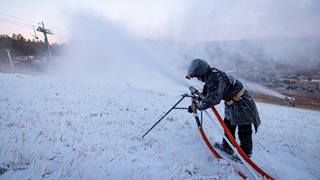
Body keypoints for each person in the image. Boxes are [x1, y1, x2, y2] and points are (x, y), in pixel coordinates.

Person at [186, 59, 261, 158]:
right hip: (232, 103)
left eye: (198, 77)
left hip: (242, 103)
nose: (198, 79)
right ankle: (227, 147)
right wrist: (198, 99)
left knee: (244, 128)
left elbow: (212, 100)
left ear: (201, 72)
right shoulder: (211, 75)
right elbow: (207, 92)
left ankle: (246, 153)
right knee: (228, 124)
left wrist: (197, 106)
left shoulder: (215, 78)